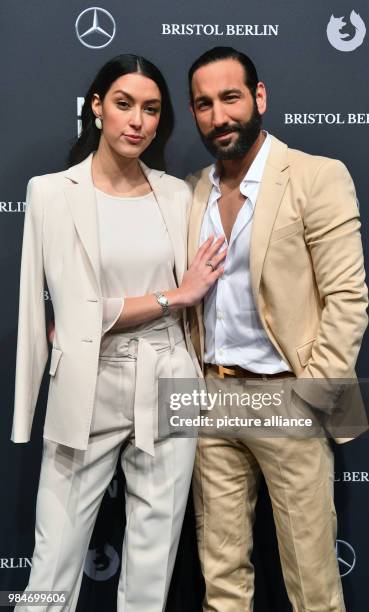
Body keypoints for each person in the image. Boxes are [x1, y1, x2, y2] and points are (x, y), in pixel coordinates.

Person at [11, 53, 226, 612]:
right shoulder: (50, 193)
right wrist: (172, 297)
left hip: (170, 374)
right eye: (125, 104)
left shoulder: (176, 195)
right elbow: (69, 314)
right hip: (87, 377)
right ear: (97, 107)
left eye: (151, 109)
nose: (137, 121)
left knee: (152, 567)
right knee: (52, 565)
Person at [186, 46, 369, 611]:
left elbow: (347, 298)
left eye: (231, 98)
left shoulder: (316, 176)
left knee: (313, 587)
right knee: (221, 583)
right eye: (204, 104)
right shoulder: (190, 190)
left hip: (288, 393)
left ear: (259, 98)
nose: (219, 116)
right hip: (211, 400)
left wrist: (311, 398)